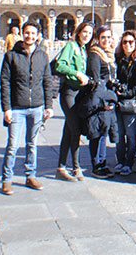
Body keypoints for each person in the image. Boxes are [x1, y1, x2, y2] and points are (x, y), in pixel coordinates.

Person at [0, 21, 54, 194]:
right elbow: (5, 82)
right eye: (27, 33)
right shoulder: (11, 55)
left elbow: (47, 81)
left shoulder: (42, 55)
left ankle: (30, 175)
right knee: (13, 145)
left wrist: (49, 105)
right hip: (17, 107)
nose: (30, 36)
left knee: (32, 144)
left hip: (37, 107)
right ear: (23, 34)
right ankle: (7, 179)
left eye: (33, 33)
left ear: (38, 35)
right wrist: (6, 108)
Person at [54, 21, 93, 181]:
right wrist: (77, 74)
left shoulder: (84, 49)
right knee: (75, 130)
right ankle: (76, 167)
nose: (87, 35)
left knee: (68, 130)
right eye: (85, 32)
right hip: (69, 93)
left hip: (78, 94)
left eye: (90, 33)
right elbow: (59, 65)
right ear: (78, 32)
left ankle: (61, 167)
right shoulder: (71, 47)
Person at [114, 30, 136, 175]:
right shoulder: (119, 59)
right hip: (118, 102)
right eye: (125, 42)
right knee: (119, 134)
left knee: (131, 135)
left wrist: (123, 93)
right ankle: (120, 161)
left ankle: (129, 163)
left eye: (131, 42)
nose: (127, 45)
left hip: (130, 102)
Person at [86, 26, 116, 177]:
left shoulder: (108, 54)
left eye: (108, 37)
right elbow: (96, 79)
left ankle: (102, 163)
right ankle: (96, 165)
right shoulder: (95, 55)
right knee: (97, 133)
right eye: (103, 37)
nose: (106, 40)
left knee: (103, 132)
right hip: (99, 100)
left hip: (107, 98)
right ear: (98, 38)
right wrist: (103, 102)